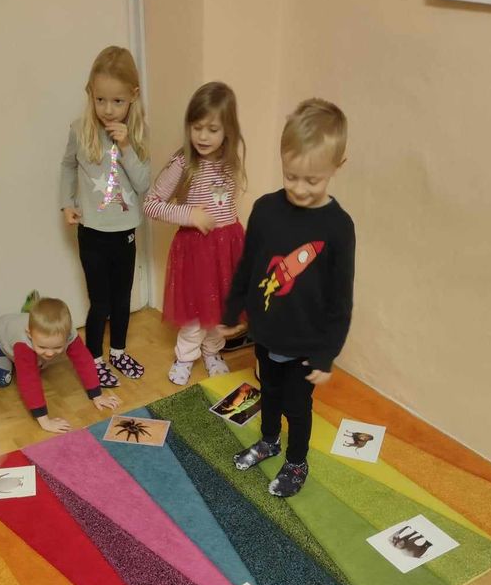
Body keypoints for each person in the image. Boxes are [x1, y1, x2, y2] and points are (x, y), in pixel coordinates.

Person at [220, 98, 355, 498]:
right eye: (291, 175)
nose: (298, 188)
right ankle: (268, 441)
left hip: (305, 347)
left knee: (297, 408)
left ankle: (297, 462)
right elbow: (248, 266)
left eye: (312, 180)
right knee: (270, 395)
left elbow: (340, 300)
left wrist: (326, 355)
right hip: (267, 334)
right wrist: (232, 311)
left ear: (337, 166)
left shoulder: (338, 228)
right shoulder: (265, 210)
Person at [144, 82, 247, 386]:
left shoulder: (230, 161)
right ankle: (185, 356)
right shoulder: (182, 163)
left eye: (212, 129)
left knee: (221, 308)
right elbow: (151, 204)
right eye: (196, 127)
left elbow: (224, 205)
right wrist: (190, 215)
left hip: (226, 248)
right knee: (195, 312)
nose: (202, 136)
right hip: (196, 250)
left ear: (227, 130)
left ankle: (212, 352)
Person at [60, 45, 151, 388]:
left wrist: (126, 146)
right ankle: (94, 358)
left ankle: (119, 352)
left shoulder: (138, 134)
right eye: (100, 100)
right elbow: (68, 165)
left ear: (133, 96)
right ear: (90, 93)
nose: (108, 109)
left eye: (117, 101)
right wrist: (67, 202)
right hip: (92, 233)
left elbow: (143, 183)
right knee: (100, 302)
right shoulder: (79, 129)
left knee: (122, 298)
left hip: (124, 231)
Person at [0, 293, 120, 433]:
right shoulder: (23, 344)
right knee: (0, 378)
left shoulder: (69, 332)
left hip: (21, 329)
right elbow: (29, 381)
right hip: (0, 335)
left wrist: (97, 395)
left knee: (39, 361)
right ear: (30, 334)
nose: (50, 353)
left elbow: (84, 360)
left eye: (57, 347)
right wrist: (45, 421)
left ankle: (29, 312)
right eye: (43, 347)